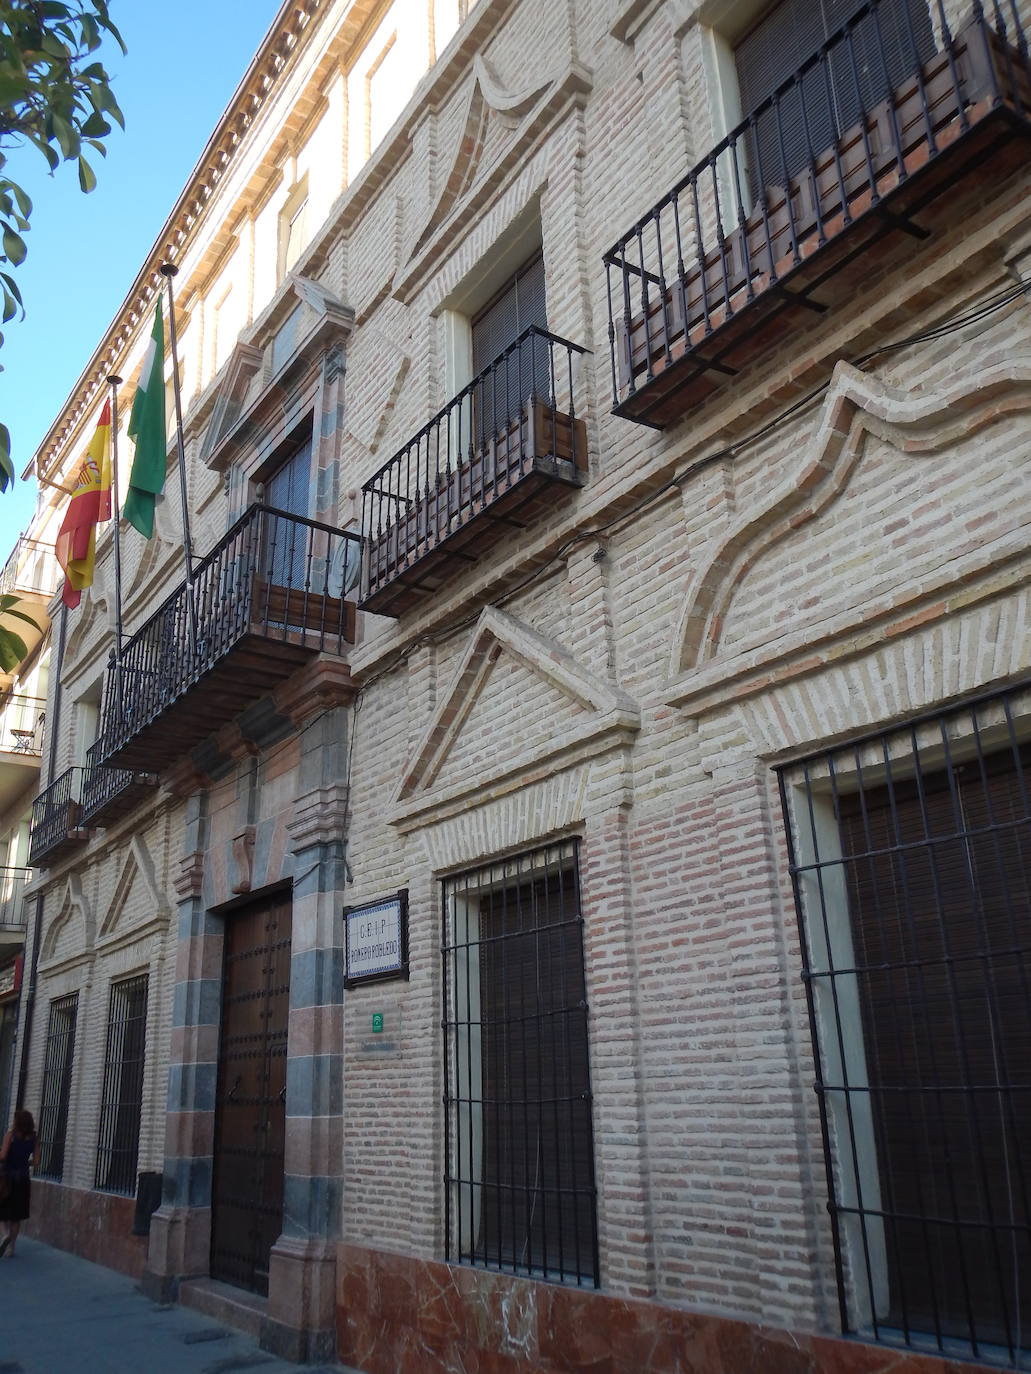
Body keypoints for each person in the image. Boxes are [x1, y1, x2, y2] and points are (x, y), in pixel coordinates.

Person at [0, 1109, 36, 1257]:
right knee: (17, 1215)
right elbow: (37, 1161)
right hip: (23, 1179)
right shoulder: (34, 1138)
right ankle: (11, 1248)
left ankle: (4, 1235)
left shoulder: (11, 1136)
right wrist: (25, 1163)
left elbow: (3, 1156)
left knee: (2, 1210)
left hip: (7, 1179)